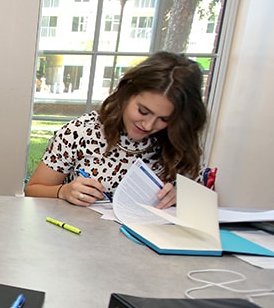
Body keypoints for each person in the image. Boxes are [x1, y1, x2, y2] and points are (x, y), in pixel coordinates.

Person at [25, 51, 207, 209]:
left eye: (164, 119)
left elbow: (201, 206)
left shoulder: (178, 142)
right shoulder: (82, 131)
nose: (148, 125)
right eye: (143, 111)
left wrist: (180, 198)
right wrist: (63, 191)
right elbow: (32, 190)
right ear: (126, 94)